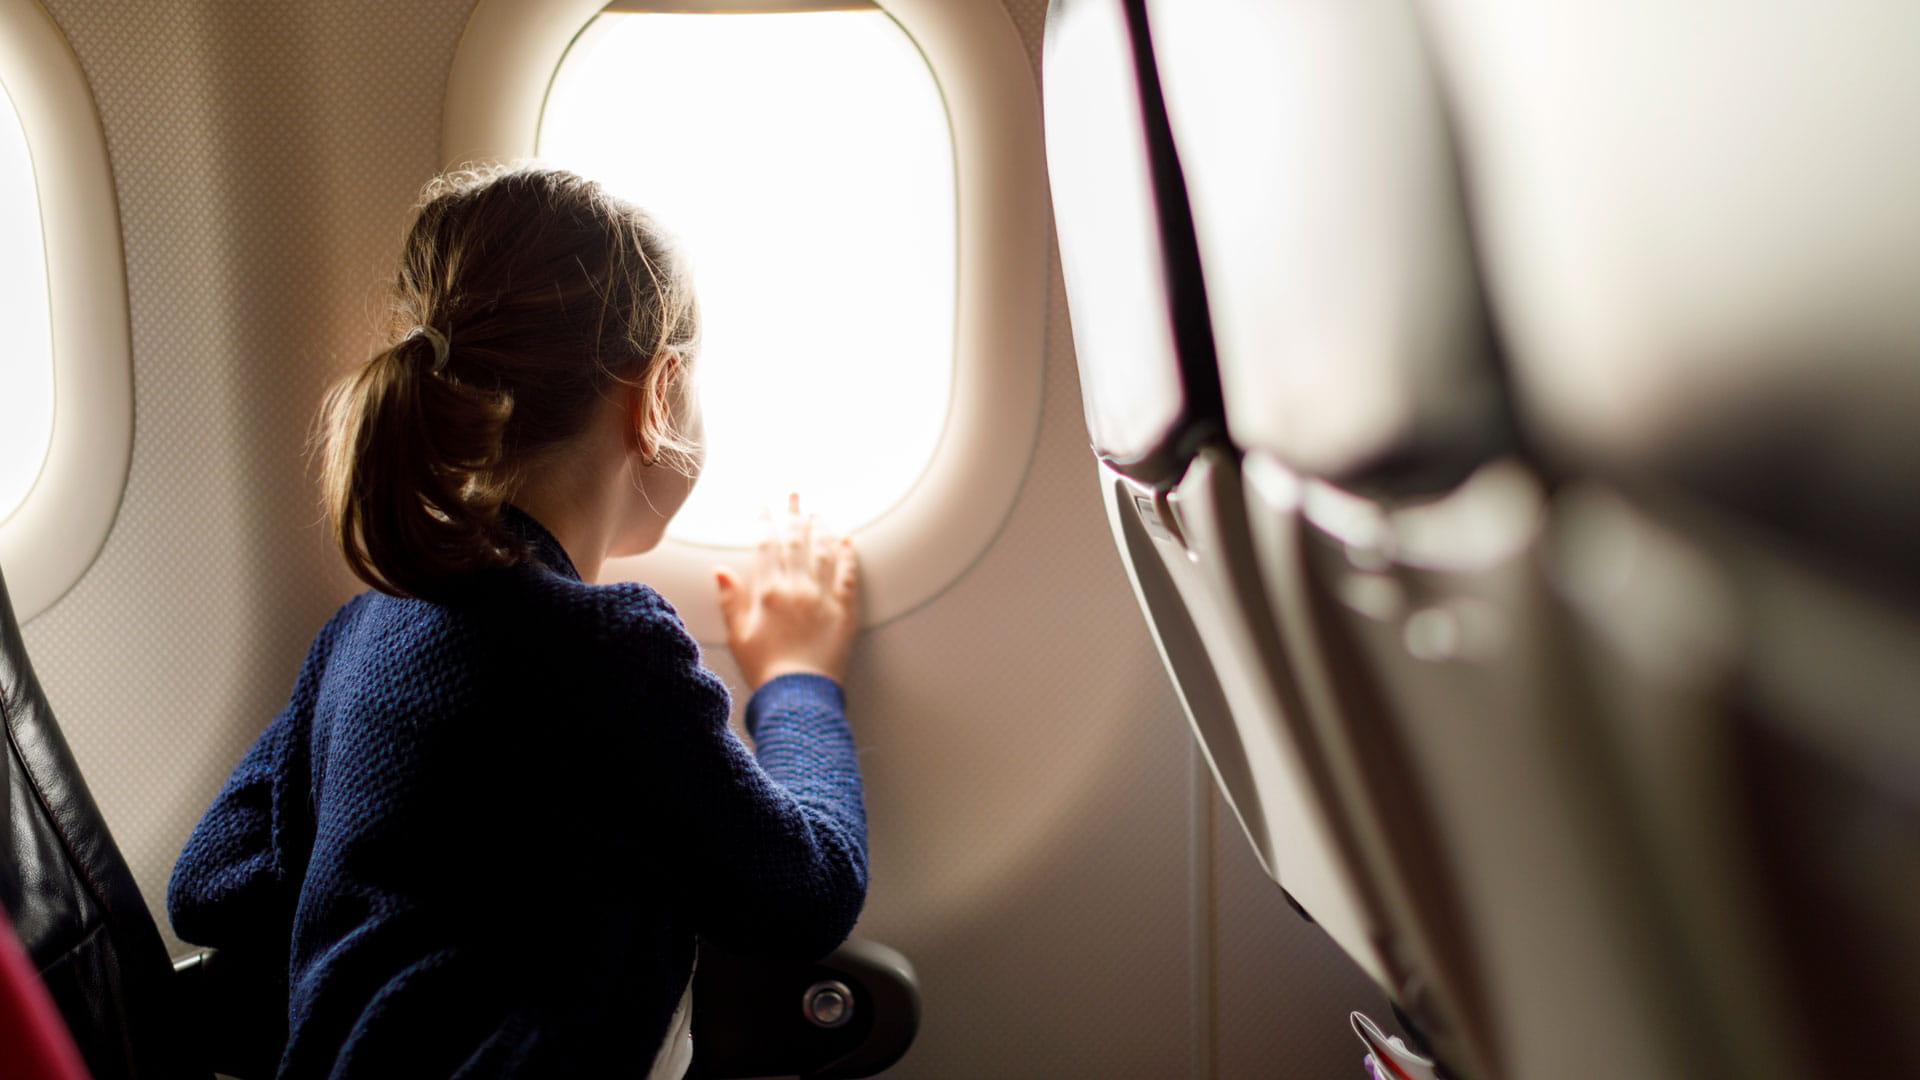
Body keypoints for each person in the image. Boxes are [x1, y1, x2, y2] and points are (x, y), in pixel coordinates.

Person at [166, 165, 867, 1080]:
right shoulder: (610, 651)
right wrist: (797, 678)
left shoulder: (364, 630)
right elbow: (810, 892)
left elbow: (208, 884)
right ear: (656, 396)